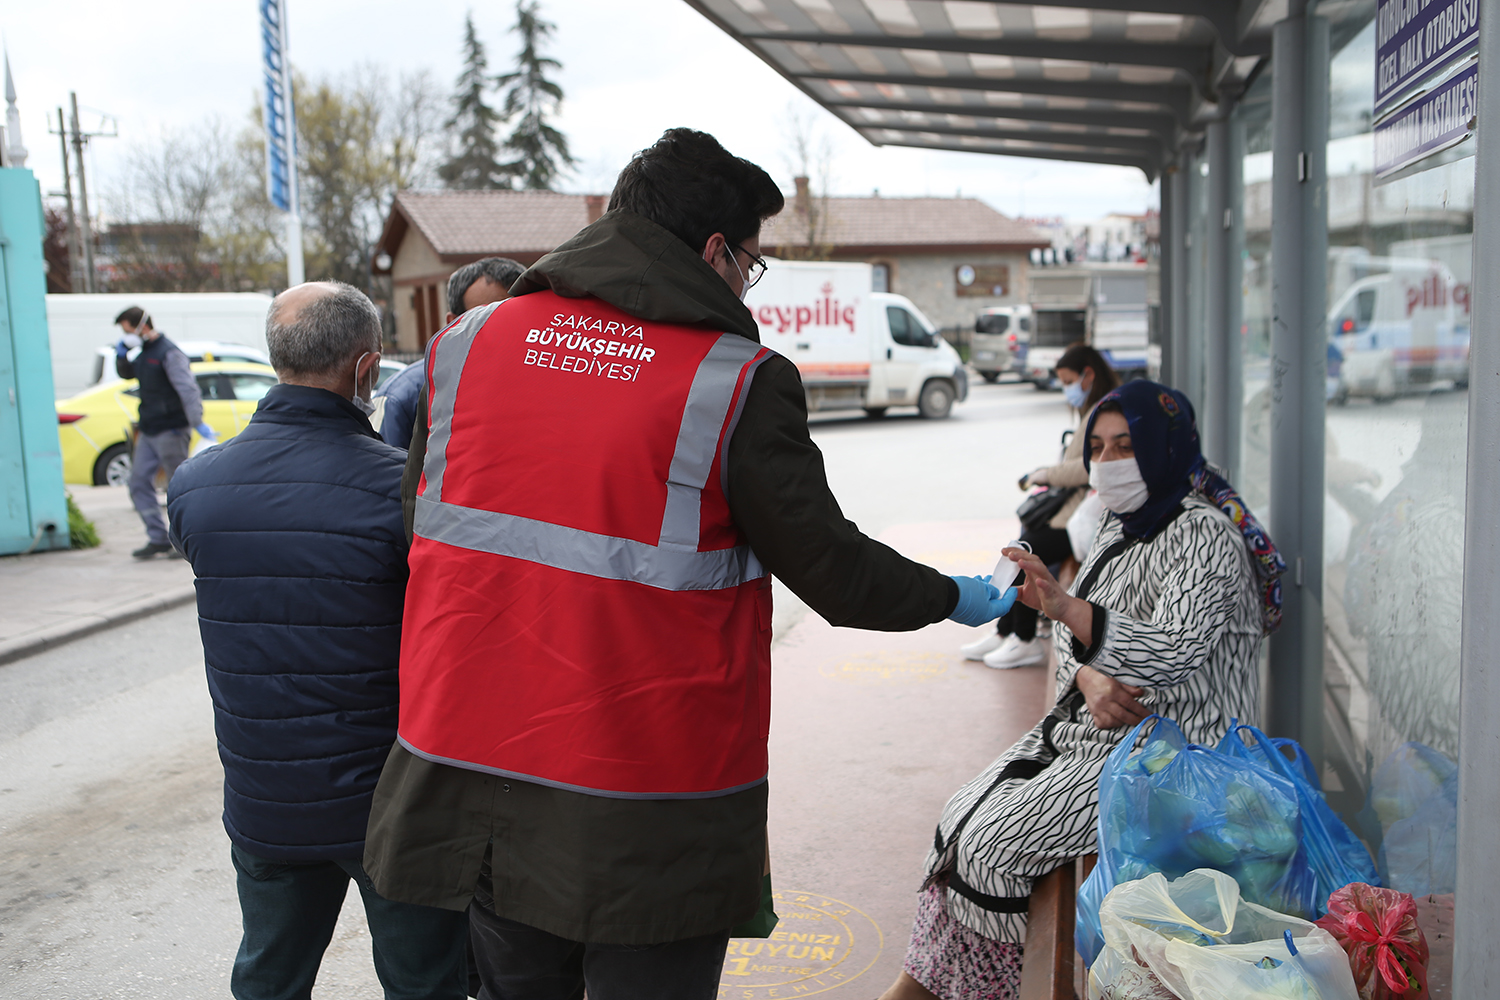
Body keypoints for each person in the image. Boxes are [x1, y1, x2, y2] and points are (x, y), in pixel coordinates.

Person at [362, 128, 1017, 1000]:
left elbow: (426, 537)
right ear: (714, 250)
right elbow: (834, 571)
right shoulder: (732, 381)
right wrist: (965, 595)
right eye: (752, 261)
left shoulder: (466, 347)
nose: (748, 281)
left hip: (475, 785)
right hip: (645, 803)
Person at [880, 379, 1285, 1000]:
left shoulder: (1205, 537)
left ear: (1166, 446)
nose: (1108, 461)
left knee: (993, 848)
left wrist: (1068, 612)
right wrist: (1087, 671)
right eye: (1098, 446)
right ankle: (922, 987)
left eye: (1126, 445)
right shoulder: (1123, 525)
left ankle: (979, 992)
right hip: (1104, 737)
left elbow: (1171, 650)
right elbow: (1077, 638)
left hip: (1180, 764)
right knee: (960, 815)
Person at [166, 282, 469, 1000]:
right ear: (366, 370)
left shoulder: (196, 485)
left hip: (264, 795)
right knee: (425, 981)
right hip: (391, 803)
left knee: (270, 977)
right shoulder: (406, 488)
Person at [961, 343, 1118, 669]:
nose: (1066, 389)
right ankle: (1007, 631)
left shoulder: (1104, 412)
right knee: (1023, 543)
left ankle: (1024, 638)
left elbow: (1087, 467)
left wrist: (1045, 474)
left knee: (1026, 551)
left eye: (1068, 380)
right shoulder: (1094, 408)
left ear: (1088, 375)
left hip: (1086, 517)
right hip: (1076, 514)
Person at [376, 256, 525, 449]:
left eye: (517, 317)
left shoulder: (548, 384)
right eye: (488, 319)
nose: (506, 332)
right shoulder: (402, 398)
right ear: (453, 323)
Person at [113, 306, 208, 559]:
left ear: (141, 326)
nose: (126, 335)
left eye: (127, 330)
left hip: (172, 429)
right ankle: (157, 537)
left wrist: (196, 421)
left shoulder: (168, 352)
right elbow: (126, 374)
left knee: (177, 487)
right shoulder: (143, 353)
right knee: (138, 483)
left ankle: (185, 539)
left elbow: (187, 389)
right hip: (149, 429)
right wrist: (121, 355)